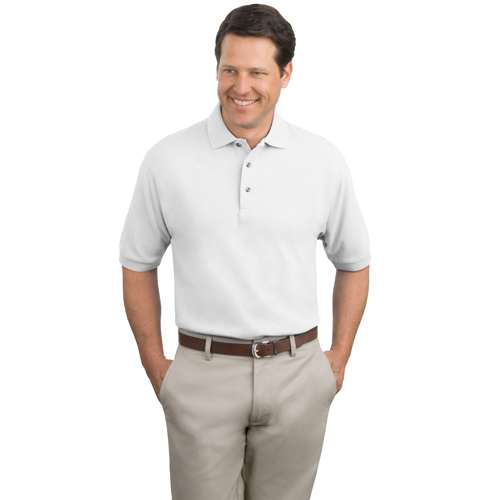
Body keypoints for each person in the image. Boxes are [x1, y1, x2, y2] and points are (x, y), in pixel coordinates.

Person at [119, 4, 370, 499]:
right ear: (216, 69)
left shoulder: (323, 161)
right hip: (202, 375)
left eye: (257, 72)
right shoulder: (166, 160)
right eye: (229, 69)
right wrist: (155, 365)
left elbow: (354, 262)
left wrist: (337, 360)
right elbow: (137, 263)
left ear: (285, 74)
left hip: (298, 376)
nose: (241, 86)